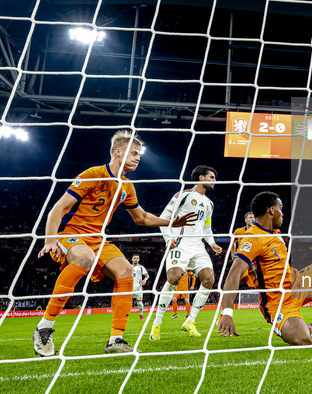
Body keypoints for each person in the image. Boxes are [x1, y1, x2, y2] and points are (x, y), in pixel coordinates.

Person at [34, 130, 198, 356]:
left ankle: (116, 339)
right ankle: (44, 327)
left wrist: (172, 220)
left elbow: (141, 218)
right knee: (84, 258)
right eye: (134, 153)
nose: (138, 157)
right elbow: (58, 208)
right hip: (70, 233)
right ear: (118, 152)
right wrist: (50, 239)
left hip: (98, 239)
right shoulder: (93, 174)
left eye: (139, 154)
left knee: (126, 271)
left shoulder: (127, 186)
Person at [218, 191, 312, 345]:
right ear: (271, 210)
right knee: (302, 339)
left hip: (298, 283)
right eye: (280, 208)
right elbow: (234, 274)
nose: (283, 213)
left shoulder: (275, 233)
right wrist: (227, 313)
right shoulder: (254, 238)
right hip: (278, 301)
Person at [150, 165, 223, 340]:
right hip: (180, 245)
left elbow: (206, 228)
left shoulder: (209, 204)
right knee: (173, 278)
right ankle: (156, 324)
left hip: (198, 246)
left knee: (209, 280)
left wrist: (212, 243)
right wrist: (168, 238)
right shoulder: (183, 195)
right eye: (211, 177)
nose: (215, 181)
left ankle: (190, 321)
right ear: (201, 178)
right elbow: (163, 218)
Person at [131, 254, 149, 321]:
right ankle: (126, 315)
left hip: (138, 287)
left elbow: (147, 276)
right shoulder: (129, 267)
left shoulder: (141, 267)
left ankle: (141, 314)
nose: (136, 259)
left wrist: (145, 280)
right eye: (134, 258)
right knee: (128, 302)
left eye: (137, 258)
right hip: (130, 287)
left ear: (139, 260)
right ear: (132, 259)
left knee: (139, 302)